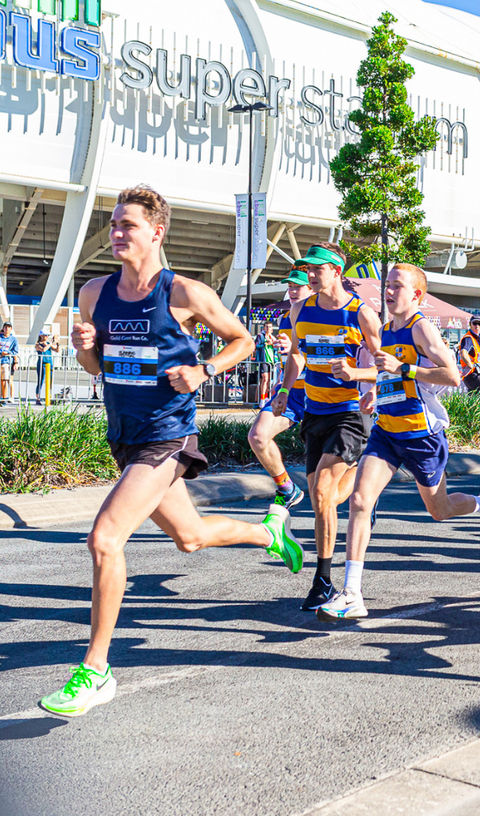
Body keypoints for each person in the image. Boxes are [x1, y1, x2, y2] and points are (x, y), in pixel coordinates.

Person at [38, 186, 302, 717]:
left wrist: (204, 370)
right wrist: (86, 349)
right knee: (191, 537)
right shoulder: (94, 293)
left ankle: (95, 670)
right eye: (113, 224)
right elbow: (98, 370)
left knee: (105, 538)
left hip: (167, 437)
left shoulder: (184, 293)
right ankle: (268, 532)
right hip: (125, 435)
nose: (116, 233)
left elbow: (243, 340)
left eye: (127, 225)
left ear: (156, 232)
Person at [315, 264, 480, 620]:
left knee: (439, 510)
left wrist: (405, 370)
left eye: (397, 286)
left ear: (416, 295)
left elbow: (452, 375)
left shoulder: (422, 328)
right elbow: (388, 369)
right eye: (387, 285)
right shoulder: (386, 329)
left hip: (422, 435)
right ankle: (352, 592)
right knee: (359, 499)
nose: (389, 291)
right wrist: (371, 387)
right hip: (387, 432)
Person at [274, 242, 382, 611]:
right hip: (316, 412)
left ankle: (323, 580)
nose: (309, 274)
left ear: (336, 271)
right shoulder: (300, 308)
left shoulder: (362, 314)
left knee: (321, 488)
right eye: (307, 268)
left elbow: (385, 365)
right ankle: (364, 481)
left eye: (316, 269)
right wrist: (286, 390)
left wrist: (357, 374)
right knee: (324, 498)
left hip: (352, 412)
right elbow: (297, 353)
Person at [247, 269, 311, 509]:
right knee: (257, 436)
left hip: (320, 392)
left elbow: (316, 356)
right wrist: (282, 381)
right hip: (291, 393)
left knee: (325, 472)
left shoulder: (321, 316)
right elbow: (290, 358)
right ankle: (287, 487)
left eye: (298, 286)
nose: (292, 291)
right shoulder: (286, 318)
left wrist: (298, 349)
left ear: (312, 288)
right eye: (290, 286)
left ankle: (365, 497)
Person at [0, 321, 17, 402]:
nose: (7, 329)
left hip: (6, 361)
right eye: (5, 327)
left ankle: (5, 397)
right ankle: (2, 396)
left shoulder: (13, 339)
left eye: (8, 327)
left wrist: (7, 353)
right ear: (3, 328)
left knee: (6, 379)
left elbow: (15, 351)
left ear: (11, 329)